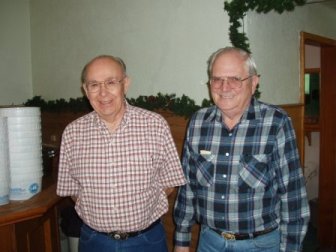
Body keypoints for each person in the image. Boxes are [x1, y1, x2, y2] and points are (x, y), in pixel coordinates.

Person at [173, 47, 310, 252]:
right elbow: (188, 188)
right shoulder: (199, 122)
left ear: (254, 83)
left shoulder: (276, 122)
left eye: (235, 79)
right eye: (217, 79)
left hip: (260, 245)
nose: (224, 87)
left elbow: (293, 197)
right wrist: (182, 242)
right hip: (210, 242)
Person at [57, 55, 186, 252]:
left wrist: (143, 208)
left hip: (147, 241)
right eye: (94, 85)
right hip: (94, 242)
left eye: (111, 82)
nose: (103, 93)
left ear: (125, 84)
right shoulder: (73, 133)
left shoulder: (155, 125)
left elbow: (170, 181)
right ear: (85, 90)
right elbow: (73, 189)